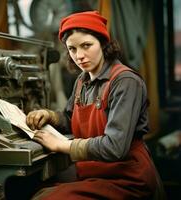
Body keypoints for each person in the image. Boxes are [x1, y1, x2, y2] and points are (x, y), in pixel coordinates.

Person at [26, 10, 165, 200]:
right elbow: (70, 118)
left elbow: (114, 147)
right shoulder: (82, 81)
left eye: (86, 45)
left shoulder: (125, 81)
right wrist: (50, 115)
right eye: (72, 49)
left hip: (128, 178)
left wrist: (61, 145)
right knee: (40, 193)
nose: (79, 55)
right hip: (97, 174)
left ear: (103, 43)